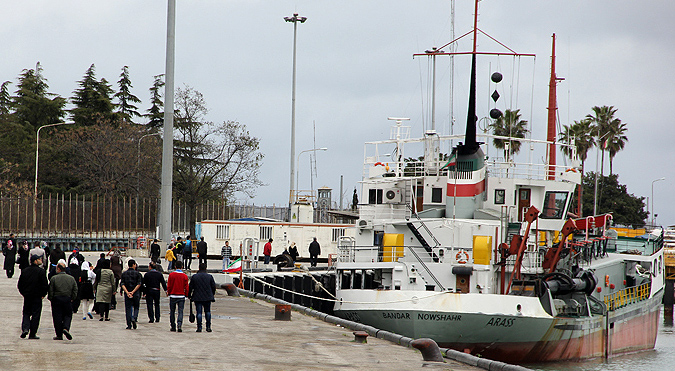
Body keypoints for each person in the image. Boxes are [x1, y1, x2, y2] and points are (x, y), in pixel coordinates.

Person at [17, 254, 49, 339]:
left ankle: (25, 329)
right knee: (36, 315)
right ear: (35, 261)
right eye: (39, 259)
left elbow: (20, 284)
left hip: (27, 296)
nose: (41, 260)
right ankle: (32, 333)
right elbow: (45, 285)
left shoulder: (25, 271)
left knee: (26, 313)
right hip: (37, 297)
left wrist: (23, 293)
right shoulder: (41, 272)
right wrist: (43, 294)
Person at [48, 260, 77, 340]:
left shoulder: (54, 278)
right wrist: (72, 298)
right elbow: (75, 290)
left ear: (59, 269)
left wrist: (51, 298)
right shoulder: (71, 279)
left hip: (56, 299)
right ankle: (66, 328)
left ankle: (59, 334)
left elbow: (51, 290)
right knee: (68, 315)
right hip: (67, 299)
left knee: (57, 317)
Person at [188, 263, 216, 332]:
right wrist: (212, 294)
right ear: (206, 268)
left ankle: (199, 327)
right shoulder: (209, 276)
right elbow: (213, 287)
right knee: (208, 312)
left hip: (197, 297)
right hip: (207, 297)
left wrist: (189, 295)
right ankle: (208, 327)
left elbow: (190, 287)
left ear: (199, 268)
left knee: (199, 313)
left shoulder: (194, 277)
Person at [120, 259, 143, 330]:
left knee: (128, 308)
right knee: (136, 306)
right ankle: (134, 318)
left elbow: (122, 284)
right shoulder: (138, 274)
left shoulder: (124, 274)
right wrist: (133, 292)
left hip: (127, 293)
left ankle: (129, 324)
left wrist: (127, 292)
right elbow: (139, 284)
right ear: (133, 265)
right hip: (135, 293)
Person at [167, 260, 189, 332]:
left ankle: (173, 326)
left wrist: (169, 292)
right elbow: (186, 287)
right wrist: (186, 295)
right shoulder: (184, 276)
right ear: (182, 267)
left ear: (175, 266)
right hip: (181, 296)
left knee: (172, 311)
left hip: (173, 295)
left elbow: (169, 285)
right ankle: (179, 325)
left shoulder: (171, 275)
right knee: (180, 311)